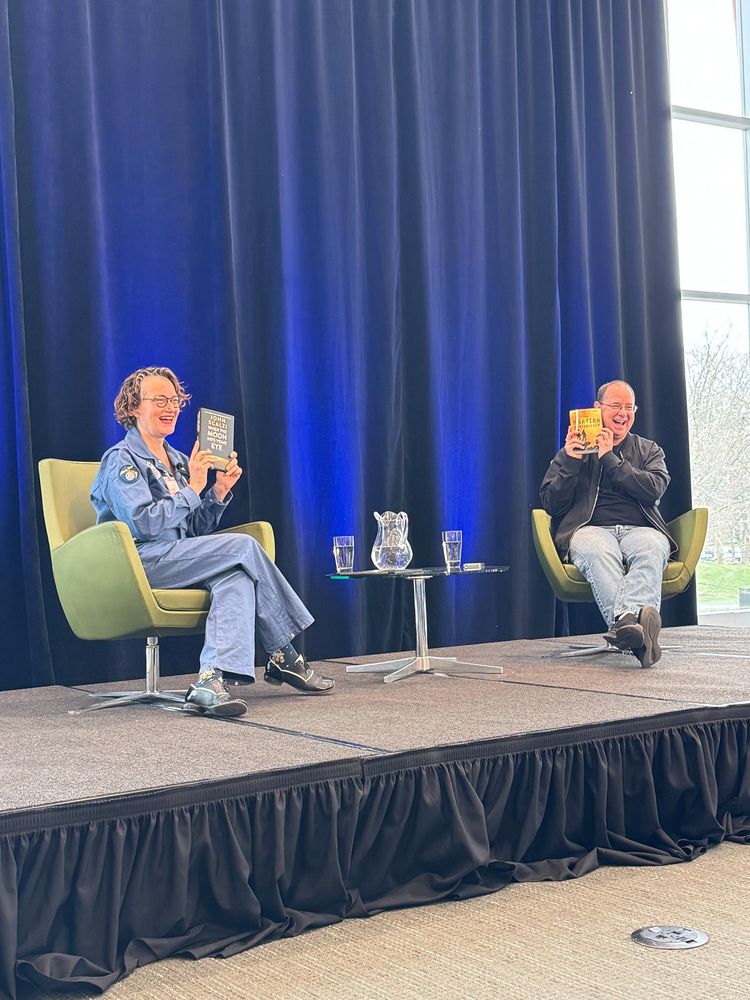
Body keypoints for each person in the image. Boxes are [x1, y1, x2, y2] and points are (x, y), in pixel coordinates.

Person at [91, 366, 335, 718]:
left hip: (174, 558)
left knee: (235, 576)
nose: (171, 406)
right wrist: (193, 487)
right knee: (244, 548)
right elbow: (143, 523)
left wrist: (217, 492)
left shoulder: (177, 460)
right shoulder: (121, 460)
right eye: (159, 399)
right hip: (136, 563)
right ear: (132, 408)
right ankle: (283, 653)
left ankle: (209, 680)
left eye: (174, 400)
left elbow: (192, 532)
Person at [539, 380, 676, 668]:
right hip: (590, 530)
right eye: (616, 406)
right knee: (597, 549)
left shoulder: (648, 450)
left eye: (629, 407)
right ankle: (637, 631)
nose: (623, 413)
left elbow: (654, 489)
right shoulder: (573, 451)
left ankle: (626, 626)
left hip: (640, 529)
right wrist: (571, 462)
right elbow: (551, 503)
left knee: (653, 547)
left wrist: (610, 460)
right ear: (598, 409)